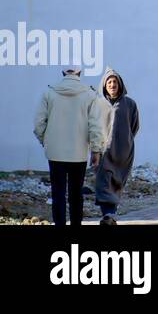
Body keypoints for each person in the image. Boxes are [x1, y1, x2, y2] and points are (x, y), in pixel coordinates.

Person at [33, 67, 106, 226]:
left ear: (63, 73)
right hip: (78, 153)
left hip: (55, 153)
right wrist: (96, 150)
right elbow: (95, 126)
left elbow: (39, 124)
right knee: (75, 193)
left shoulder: (49, 93)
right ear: (80, 74)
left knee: (58, 193)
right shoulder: (90, 95)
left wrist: (46, 140)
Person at [92, 68, 139, 225]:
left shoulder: (130, 104)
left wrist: (125, 140)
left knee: (117, 183)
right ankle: (108, 214)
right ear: (104, 86)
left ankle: (110, 214)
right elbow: (94, 127)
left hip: (123, 153)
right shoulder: (98, 104)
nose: (112, 85)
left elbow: (135, 126)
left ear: (120, 85)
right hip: (105, 152)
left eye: (115, 82)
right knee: (103, 183)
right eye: (109, 82)